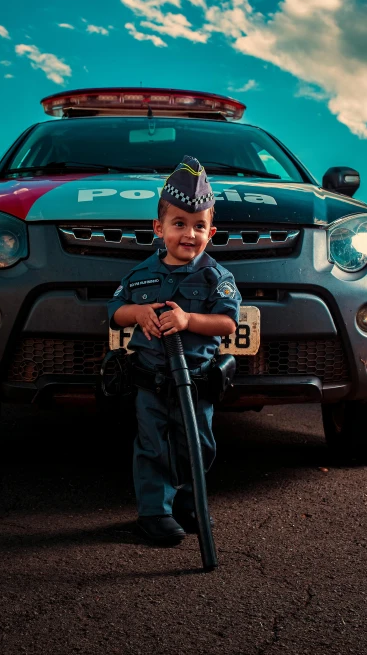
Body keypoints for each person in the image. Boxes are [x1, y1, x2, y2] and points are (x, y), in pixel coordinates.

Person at [107, 156, 241, 545]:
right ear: (158, 228)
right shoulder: (139, 276)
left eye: (199, 226)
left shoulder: (217, 278)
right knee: (152, 447)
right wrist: (137, 312)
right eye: (179, 224)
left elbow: (228, 323)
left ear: (211, 231)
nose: (189, 233)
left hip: (196, 384)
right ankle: (154, 513)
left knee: (197, 445)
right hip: (150, 383)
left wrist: (188, 321)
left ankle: (187, 501)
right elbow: (114, 313)